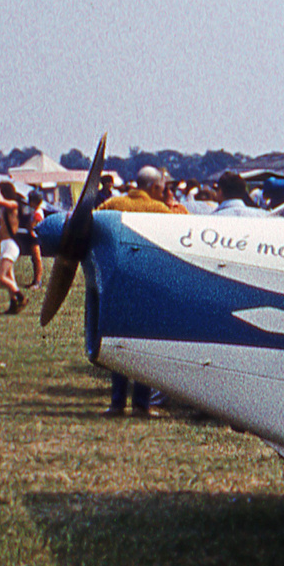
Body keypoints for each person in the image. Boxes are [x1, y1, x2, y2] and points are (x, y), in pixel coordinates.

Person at [97, 167, 181, 415]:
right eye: (162, 189)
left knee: (119, 341)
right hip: (149, 284)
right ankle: (141, 404)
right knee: (145, 343)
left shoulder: (112, 205)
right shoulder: (160, 210)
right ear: (154, 187)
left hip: (117, 282)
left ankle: (117, 402)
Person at [0, 183, 27, 314]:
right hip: (5, 244)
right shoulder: (5, 210)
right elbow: (1, 230)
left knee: (1, 277)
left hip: (11, 244)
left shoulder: (13, 205)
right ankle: (13, 304)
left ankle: (21, 297)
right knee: (10, 277)